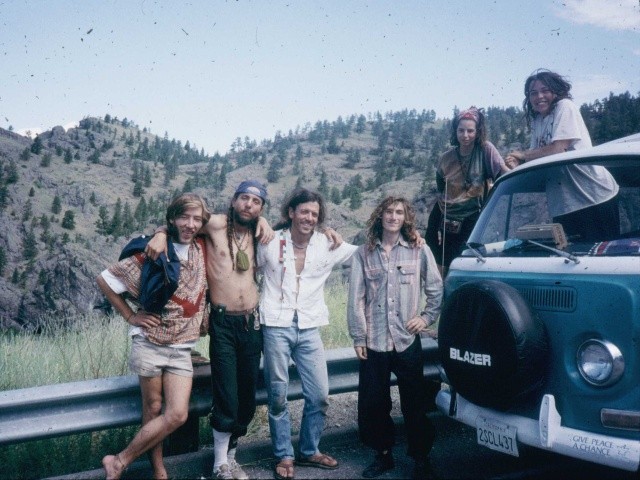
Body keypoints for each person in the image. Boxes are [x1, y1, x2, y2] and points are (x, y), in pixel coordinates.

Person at [145, 180, 273, 480]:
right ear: (234, 200)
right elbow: (182, 224)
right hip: (223, 322)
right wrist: (161, 234)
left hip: (252, 322)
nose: (248, 205)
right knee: (226, 393)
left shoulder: (259, 231)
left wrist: (265, 222)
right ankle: (219, 464)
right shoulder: (216, 224)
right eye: (244, 198)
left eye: (256, 202)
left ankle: (232, 458)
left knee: (247, 397)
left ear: (261, 209)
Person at [98, 193, 211, 480]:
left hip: (182, 347)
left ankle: (119, 460)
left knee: (177, 414)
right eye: (184, 217)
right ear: (172, 218)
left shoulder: (201, 246)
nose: (190, 224)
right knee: (153, 408)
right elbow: (105, 280)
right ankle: (158, 469)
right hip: (149, 342)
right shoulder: (154, 250)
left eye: (197, 219)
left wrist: (161, 231)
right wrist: (130, 316)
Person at [256, 188, 357, 480]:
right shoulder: (270, 241)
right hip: (276, 325)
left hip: (310, 326)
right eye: (304, 211)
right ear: (291, 212)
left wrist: (411, 239)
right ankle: (284, 455)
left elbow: (364, 252)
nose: (309, 218)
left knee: (320, 395)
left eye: (314, 214)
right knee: (278, 395)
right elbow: (244, 264)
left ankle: (309, 450)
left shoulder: (327, 243)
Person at [347, 196, 443, 479]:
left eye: (399, 212)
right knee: (374, 404)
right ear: (380, 216)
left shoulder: (418, 249)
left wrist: (425, 318)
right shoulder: (363, 253)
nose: (393, 216)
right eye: (388, 211)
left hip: (406, 340)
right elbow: (355, 298)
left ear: (405, 217)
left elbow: (435, 288)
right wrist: (359, 337)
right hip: (374, 341)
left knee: (415, 403)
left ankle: (421, 458)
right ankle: (383, 455)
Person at [505, 69, 619, 241]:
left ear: (556, 91)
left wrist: (522, 154)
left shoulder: (565, 106)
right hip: (564, 203)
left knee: (600, 252)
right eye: (533, 93)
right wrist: (517, 163)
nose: (539, 96)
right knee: (568, 253)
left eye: (545, 90)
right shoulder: (537, 120)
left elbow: (558, 148)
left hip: (594, 195)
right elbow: (535, 158)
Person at [425, 106, 509, 277]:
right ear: (455, 131)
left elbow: (503, 174)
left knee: (463, 258)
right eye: (461, 130)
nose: (465, 135)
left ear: (478, 132)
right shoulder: (446, 158)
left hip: (472, 213)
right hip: (446, 212)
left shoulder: (485, 150)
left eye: (470, 131)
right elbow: (441, 187)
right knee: (437, 258)